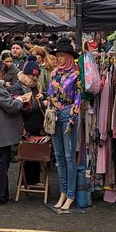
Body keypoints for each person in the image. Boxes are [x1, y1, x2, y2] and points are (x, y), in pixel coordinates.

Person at [0, 59, 32, 204]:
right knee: (1, 163)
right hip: (0, 132)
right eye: (3, 74)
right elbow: (10, 106)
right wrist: (20, 99)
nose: (5, 77)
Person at [46, 37, 83, 211]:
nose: (59, 59)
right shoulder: (54, 73)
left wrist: (72, 116)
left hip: (69, 114)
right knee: (59, 157)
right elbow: (50, 94)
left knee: (69, 157)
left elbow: (79, 97)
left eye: (62, 56)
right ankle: (62, 192)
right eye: (57, 56)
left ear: (69, 56)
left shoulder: (76, 74)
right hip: (55, 115)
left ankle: (70, 194)